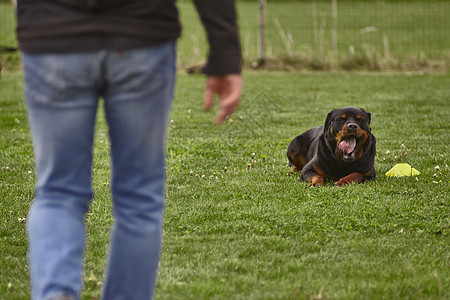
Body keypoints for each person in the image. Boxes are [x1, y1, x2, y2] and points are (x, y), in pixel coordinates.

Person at [16, 0, 242, 299]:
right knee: (138, 199)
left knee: (58, 193)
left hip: (53, 34)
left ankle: (55, 292)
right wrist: (225, 52)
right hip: (142, 35)